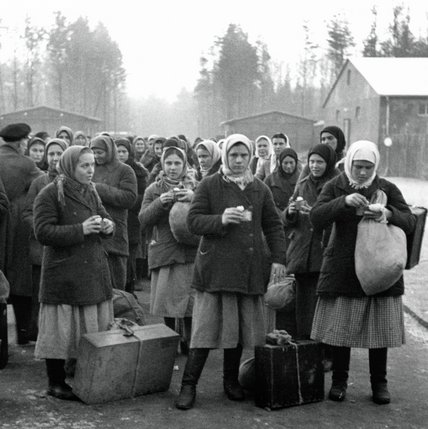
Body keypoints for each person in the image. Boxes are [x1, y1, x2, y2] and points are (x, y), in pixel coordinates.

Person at [175, 133, 287, 410]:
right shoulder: (210, 185)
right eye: (233, 155)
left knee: (236, 331)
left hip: (248, 270)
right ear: (225, 156)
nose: (238, 161)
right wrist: (221, 219)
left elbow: (273, 226)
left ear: (251, 157)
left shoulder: (260, 188)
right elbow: (193, 221)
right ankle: (188, 385)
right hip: (215, 271)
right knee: (203, 332)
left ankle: (230, 382)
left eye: (243, 155)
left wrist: (278, 259)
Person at [310, 140, 416, 405]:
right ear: (349, 164)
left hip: (379, 270)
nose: (362, 172)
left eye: (368, 167)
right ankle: (339, 382)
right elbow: (316, 217)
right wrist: (343, 202)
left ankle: (379, 384)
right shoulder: (335, 186)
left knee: (378, 333)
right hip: (345, 270)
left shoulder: (387, 189)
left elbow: (410, 221)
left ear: (375, 166)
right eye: (358, 166)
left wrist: (388, 213)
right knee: (342, 332)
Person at [33, 145, 115, 400]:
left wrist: (107, 225)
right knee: (59, 330)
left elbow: (102, 215)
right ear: (70, 166)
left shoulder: (90, 191)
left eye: (93, 165)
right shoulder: (50, 194)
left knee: (88, 325)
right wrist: (80, 229)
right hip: (64, 272)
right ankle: (55, 382)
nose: (91, 170)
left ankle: (82, 372)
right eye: (84, 166)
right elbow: (42, 232)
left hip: (90, 270)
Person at [139, 146, 197, 352]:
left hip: (190, 253)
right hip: (165, 252)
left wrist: (193, 197)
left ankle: (191, 343)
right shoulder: (153, 189)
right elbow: (143, 219)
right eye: (169, 163)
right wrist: (159, 202)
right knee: (168, 301)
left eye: (177, 163)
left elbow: (206, 215)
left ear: (184, 165)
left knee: (190, 301)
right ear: (162, 164)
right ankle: (171, 341)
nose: (173, 168)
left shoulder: (196, 187)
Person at [283, 144, 338, 340]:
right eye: (312, 161)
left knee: (322, 306)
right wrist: (290, 213)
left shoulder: (336, 185)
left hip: (323, 251)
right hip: (302, 252)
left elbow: (338, 216)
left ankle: (324, 349)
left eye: (320, 162)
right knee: (303, 304)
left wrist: (314, 213)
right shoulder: (303, 183)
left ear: (328, 163)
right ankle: (305, 348)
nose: (315, 166)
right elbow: (288, 220)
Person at [0, 123, 43, 344]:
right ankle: (24, 333)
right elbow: (46, 182)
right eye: (26, 141)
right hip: (16, 227)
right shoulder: (26, 164)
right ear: (20, 142)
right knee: (21, 278)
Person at [23, 138, 69, 341]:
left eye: (59, 154)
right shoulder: (39, 182)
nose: (55, 158)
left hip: (67, 247)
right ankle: (40, 334)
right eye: (51, 154)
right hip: (41, 248)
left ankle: (62, 335)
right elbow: (26, 212)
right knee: (40, 295)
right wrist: (43, 229)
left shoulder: (75, 182)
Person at [90, 135, 137, 291]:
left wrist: (99, 189)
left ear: (109, 151)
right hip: (93, 233)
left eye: (100, 152)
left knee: (115, 287)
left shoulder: (125, 170)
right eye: (93, 152)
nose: (96, 156)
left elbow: (130, 198)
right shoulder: (89, 167)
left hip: (116, 235)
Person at [115, 138, 148, 293]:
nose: (121, 155)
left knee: (129, 260)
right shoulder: (110, 170)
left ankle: (129, 292)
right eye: (118, 151)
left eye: (124, 151)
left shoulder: (138, 171)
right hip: (114, 222)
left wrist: (123, 200)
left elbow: (142, 197)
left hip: (132, 221)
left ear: (130, 152)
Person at [264, 148, 301, 213]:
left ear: (296, 162)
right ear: (280, 163)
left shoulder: (302, 180)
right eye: (285, 163)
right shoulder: (270, 179)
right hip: (275, 216)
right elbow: (265, 200)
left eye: (291, 163)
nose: (289, 166)